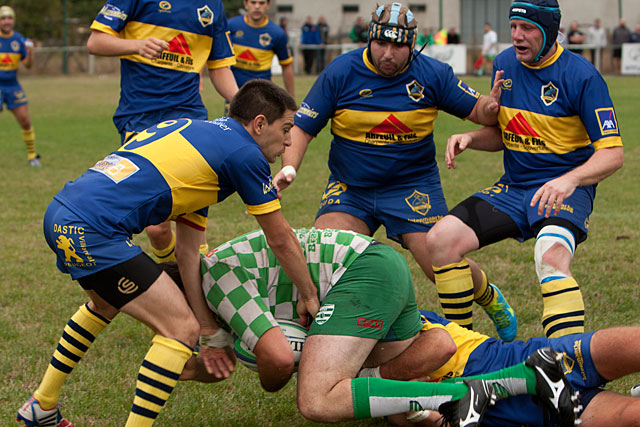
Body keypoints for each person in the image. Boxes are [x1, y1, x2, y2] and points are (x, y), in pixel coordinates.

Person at [15, 80, 320, 427]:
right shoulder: (243, 153)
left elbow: (188, 252)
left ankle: (42, 404)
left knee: (104, 304)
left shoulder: (201, 140)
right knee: (178, 329)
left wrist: (209, 328)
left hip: (62, 213)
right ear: (260, 124)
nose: (289, 142)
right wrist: (309, 296)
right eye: (286, 129)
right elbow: (280, 238)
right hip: (94, 229)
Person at [274, 2, 518, 342]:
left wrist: (490, 107)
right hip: (351, 189)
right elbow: (302, 127)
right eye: (381, 44)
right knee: (322, 262)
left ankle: (488, 296)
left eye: (398, 46)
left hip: (412, 187)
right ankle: (341, 344)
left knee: (440, 266)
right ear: (369, 40)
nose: (388, 53)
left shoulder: (432, 74)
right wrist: (289, 168)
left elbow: (480, 111)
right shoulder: (340, 72)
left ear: (413, 45)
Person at [170, 227, 579, 426]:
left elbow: (276, 358)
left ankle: (462, 393)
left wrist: (280, 370)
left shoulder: (215, 279)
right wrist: (182, 369)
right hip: (378, 264)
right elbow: (218, 360)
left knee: (316, 399)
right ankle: (522, 379)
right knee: (408, 398)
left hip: (360, 275)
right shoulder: (212, 306)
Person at [426, 0, 624, 339]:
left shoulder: (582, 76)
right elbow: (510, 133)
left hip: (564, 191)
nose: (517, 36)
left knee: (549, 255)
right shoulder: (505, 64)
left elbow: (613, 153)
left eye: (528, 29)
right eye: (513, 27)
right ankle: (462, 351)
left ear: (549, 31)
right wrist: (471, 137)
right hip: (514, 188)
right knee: (440, 241)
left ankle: (566, 367)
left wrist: (569, 180)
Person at [86, 0, 239, 264]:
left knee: (191, 226)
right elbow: (95, 42)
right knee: (156, 229)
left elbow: (219, 67)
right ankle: (176, 274)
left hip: (189, 119)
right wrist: (136, 44)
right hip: (139, 118)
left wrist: (242, 104)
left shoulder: (212, 5)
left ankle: (194, 286)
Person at [387, 309, 640, 426]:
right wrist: (420, 413)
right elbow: (405, 409)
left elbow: (439, 349)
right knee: (631, 417)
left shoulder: (392, 317)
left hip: (529, 359)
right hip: (516, 413)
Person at [228, 0, 294, 98]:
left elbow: (287, 65)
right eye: (253, 2)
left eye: (262, 3)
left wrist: (291, 98)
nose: (257, 6)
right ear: (246, 4)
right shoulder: (231, 26)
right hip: (234, 94)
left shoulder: (277, 33)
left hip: (263, 96)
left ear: (268, 5)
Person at [0, 5, 39, 167]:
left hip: (13, 85)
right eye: (3, 18)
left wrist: (30, 52)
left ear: (13, 20)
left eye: (9, 18)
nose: (6, 21)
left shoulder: (18, 39)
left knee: (25, 120)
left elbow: (28, 65)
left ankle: (32, 157)